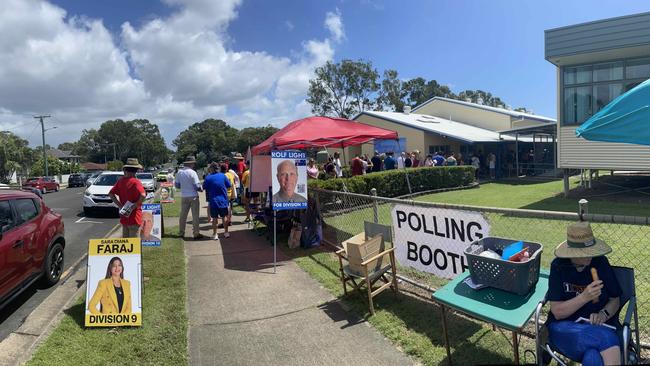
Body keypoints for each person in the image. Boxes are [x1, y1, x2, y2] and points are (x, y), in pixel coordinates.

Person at [547, 221, 621, 366]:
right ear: (572, 253)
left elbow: (615, 299)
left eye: (591, 250)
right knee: (606, 338)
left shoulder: (600, 263)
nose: (590, 256)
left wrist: (603, 314)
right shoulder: (559, 266)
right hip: (564, 329)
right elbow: (557, 312)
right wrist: (584, 297)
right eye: (585, 253)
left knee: (593, 358)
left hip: (595, 329)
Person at [109, 158, 146, 238]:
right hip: (135, 217)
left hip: (124, 216)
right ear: (136, 170)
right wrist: (136, 204)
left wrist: (119, 205)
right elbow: (143, 195)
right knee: (134, 245)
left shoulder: (120, 181)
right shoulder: (136, 182)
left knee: (126, 244)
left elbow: (111, 193)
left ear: (125, 170)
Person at [175, 156, 203, 239]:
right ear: (191, 164)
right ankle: (196, 233)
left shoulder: (179, 172)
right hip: (193, 196)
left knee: (183, 215)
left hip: (184, 196)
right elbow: (196, 186)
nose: (194, 164)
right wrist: (201, 189)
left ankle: (181, 232)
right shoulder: (192, 172)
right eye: (193, 163)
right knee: (195, 216)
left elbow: (177, 185)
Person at [203, 163, 231, 240]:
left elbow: (204, 187)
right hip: (223, 200)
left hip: (213, 201)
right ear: (218, 168)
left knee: (214, 218)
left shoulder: (208, 177)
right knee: (224, 217)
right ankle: (226, 233)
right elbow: (229, 185)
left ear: (211, 169)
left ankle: (215, 234)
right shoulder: (223, 176)